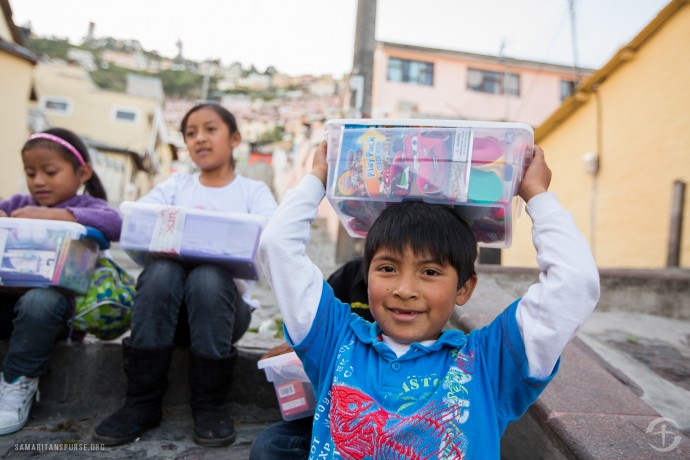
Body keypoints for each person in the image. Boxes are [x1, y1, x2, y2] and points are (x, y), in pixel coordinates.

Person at [258, 141, 600, 458]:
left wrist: (536, 195)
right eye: (388, 268)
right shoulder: (333, 341)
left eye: (430, 272)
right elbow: (277, 246)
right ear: (367, 276)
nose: (405, 289)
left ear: (464, 288)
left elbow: (574, 281)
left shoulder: (490, 363)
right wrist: (318, 177)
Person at [94, 103, 278, 448]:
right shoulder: (176, 186)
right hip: (166, 314)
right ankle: (141, 402)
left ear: (235, 138)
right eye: (190, 133)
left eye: (210, 129)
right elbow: (140, 221)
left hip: (224, 316)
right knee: (162, 269)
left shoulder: (253, 193)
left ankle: (210, 404)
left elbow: (270, 239)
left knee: (208, 275)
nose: (199, 139)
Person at [0, 128, 122, 435]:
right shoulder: (18, 203)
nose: (38, 180)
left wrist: (60, 216)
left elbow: (115, 223)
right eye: (30, 173)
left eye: (50, 171)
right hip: (7, 302)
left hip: (53, 312)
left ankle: (16, 385)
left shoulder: (89, 208)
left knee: (40, 300)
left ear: (82, 173)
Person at [249, 257, 372, 460]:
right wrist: (294, 349)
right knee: (268, 447)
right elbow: (316, 325)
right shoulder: (350, 273)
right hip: (331, 413)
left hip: (379, 423)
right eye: (386, 269)